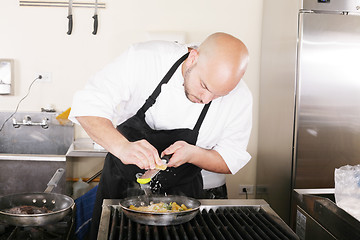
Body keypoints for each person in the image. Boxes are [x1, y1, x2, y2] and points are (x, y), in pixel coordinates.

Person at [69, 32, 252, 239]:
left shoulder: (240, 97)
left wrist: (193, 154)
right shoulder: (146, 59)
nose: (206, 99)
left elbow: (230, 159)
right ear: (193, 58)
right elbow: (87, 106)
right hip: (119, 191)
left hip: (186, 203)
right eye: (204, 86)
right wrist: (122, 147)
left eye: (219, 95)